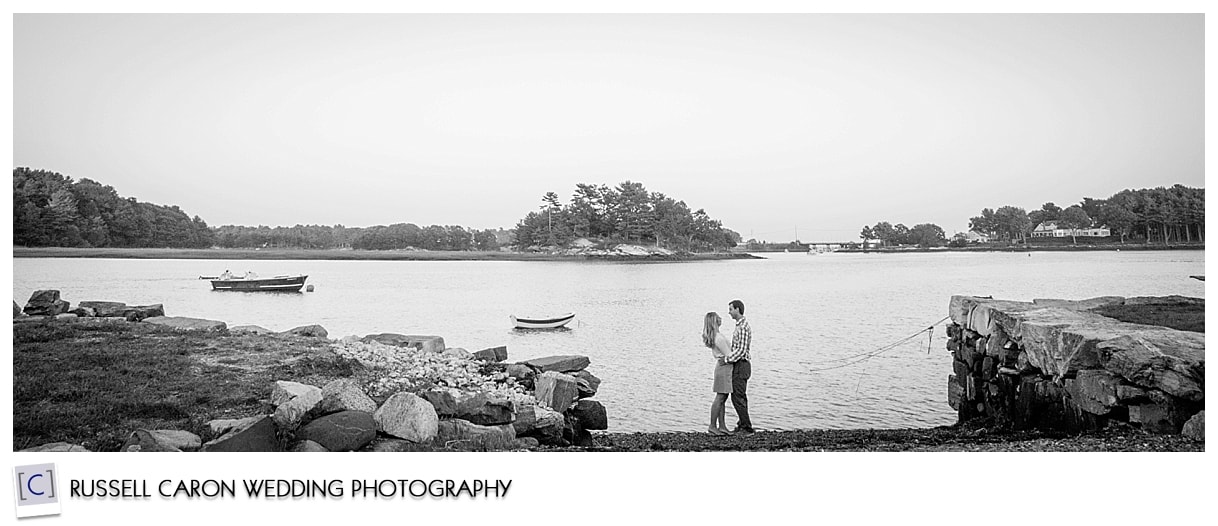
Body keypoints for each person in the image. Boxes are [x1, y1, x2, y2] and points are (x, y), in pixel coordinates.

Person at [725, 299, 755, 434]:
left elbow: (741, 350)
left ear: (737, 309)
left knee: (738, 396)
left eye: (731, 309)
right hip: (740, 365)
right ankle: (742, 423)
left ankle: (746, 427)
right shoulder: (740, 326)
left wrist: (726, 359)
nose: (729, 312)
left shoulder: (742, 327)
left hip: (741, 365)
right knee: (739, 396)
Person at [701, 312, 733, 435]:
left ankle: (722, 426)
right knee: (720, 397)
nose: (721, 318)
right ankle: (713, 426)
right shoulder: (718, 338)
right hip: (724, 368)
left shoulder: (716, 336)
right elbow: (729, 355)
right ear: (715, 321)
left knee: (723, 397)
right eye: (718, 317)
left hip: (723, 368)